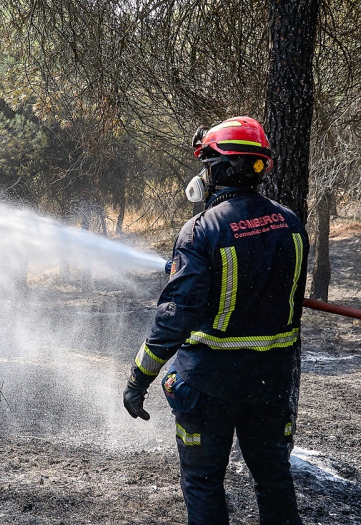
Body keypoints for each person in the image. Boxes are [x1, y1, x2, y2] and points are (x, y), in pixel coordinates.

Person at [122, 116, 308, 525]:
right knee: (274, 478)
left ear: (220, 168)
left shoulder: (201, 230)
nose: (203, 172)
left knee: (204, 482)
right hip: (271, 384)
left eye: (207, 163)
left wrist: (139, 379)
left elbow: (175, 318)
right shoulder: (290, 223)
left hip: (209, 384)